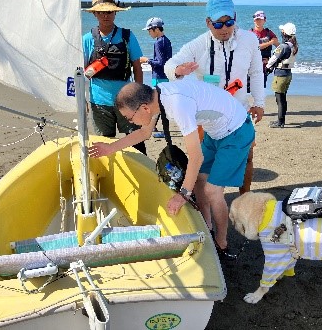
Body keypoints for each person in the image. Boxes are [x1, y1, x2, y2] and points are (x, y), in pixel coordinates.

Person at [88, 79, 255, 260]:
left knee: (212, 190)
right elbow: (145, 133)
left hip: (236, 130)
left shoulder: (177, 104)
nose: (130, 121)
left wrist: (183, 194)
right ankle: (206, 228)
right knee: (199, 180)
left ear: (144, 108)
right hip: (215, 131)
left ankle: (221, 242)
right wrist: (110, 148)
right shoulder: (157, 96)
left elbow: (196, 157)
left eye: (129, 118)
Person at [164, 0, 265, 196]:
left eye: (229, 22)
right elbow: (169, 65)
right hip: (209, 117)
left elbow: (256, 72)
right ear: (208, 22)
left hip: (240, 111)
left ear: (235, 18)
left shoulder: (249, 39)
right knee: (204, 162)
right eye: (218, 24)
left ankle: (244, 198)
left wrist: (259, 102)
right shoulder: (199, 44)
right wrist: (178, 70)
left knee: (247, 158)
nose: (225, 28)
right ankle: (207, 204)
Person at [82, 0, 146, 154]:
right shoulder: (87, 40)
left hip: (127, 101)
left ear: (115, 13)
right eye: (101, 12)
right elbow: (80, 73)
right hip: (99, 104)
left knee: (136, 144)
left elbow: (137, 67)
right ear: (95, 14)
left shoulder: (127, 36)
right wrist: (83, 99)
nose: (106, 15)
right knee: (103, 146)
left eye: (110, 11)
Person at [139, 17, 172, 138]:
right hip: (164, 76)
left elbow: (160, 63)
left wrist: (146, 60)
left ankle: (162, 130)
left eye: (149, 30)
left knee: (159, 105)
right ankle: (155, 127)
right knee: (160, 104)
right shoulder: (166, 40)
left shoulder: (159, 42)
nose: (149, 33)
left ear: (156, 29)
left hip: (159, 77)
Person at [266, 22, 299, 128]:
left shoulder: (284, 46)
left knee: (279, 99)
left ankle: (280, 122)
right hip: (288, 74)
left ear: (285, 33)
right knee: (283, 98)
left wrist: (267, 67)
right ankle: (281, 120)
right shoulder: (294, 45)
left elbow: (273, 59)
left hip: (280, 75)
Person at [250, 10, 279, 88]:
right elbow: (256, 47)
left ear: (264, 20)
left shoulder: (269, 33)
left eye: (260, 20)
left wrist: (273, 61)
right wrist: (270, 43)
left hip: (264, 67)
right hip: (252, 67)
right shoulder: (250, 33)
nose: (258, 22)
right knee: (249, 89)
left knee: (261, 89)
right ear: (254, 21)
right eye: (257, 20)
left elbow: (279, 47)